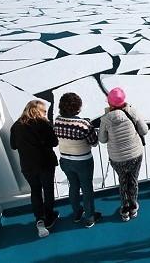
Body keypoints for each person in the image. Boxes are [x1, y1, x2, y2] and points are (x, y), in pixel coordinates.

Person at [9, 100, 59, 238]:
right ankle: (49, 216)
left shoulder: (16, 126)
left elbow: (13, 145)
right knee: (48, 190)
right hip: (45, 163)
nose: (45, 113)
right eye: (44, 111)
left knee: (35, 191)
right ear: (38, 111)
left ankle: (40, 219)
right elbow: (54, 142)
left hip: (27, 166)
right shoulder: (43, 124)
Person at [99, 87, 148, 222]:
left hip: (117, 158)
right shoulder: (132, 112)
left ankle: (125, 208)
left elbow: (102, 139)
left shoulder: (105, 119)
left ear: (109, 103)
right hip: (135, 155)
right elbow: (144, 130)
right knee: (133, 179)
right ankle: (133, 206)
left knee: (123, 181)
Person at [53, 92, 102, 228]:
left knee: (73, 186)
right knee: (87, 189)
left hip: (65, 160)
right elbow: (94, 142)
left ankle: (77, 213)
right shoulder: (83, 124)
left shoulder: (57, 120)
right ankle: (90, 217)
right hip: (83, 161)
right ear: (77, 108)